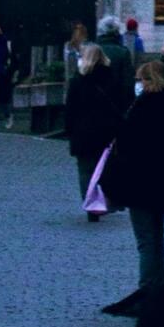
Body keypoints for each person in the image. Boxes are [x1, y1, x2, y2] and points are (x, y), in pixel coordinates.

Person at [104, 56, 164, 291]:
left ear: (150, 80)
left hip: (140, 178)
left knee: (146, 239)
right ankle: (157, 286)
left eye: (141, 79)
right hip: (161, 178)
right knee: (155, 236)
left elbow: (130, 139)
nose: (138, 84)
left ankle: (148, 290)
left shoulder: (147, 104)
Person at [64, 42, 123, 211]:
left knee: (85, 170)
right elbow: (120, 103)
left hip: (83, 132)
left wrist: (69, 130)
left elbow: (70, 108)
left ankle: (90, 203)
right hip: (106, 131)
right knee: (104, 168)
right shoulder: (111, 78)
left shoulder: (78, 81)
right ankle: (105, 201)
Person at [95, 17, 134, 96]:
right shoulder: (123, 53)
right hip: (116, 102)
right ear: (117, 32)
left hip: (93, 102)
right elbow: (128, 84)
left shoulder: (90, 51)